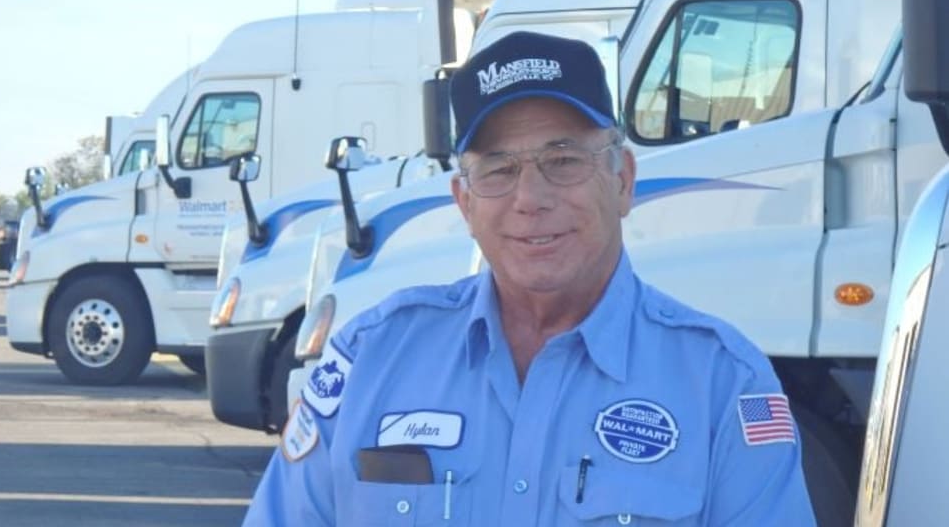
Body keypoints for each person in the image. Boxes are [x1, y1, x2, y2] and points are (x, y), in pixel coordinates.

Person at [243, 31, 815, 526]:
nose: (530, 198)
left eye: (563, 161)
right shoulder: (371, 358)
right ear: (465, 203)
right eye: (499, 169)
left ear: (623, 181)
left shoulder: (724, 383)